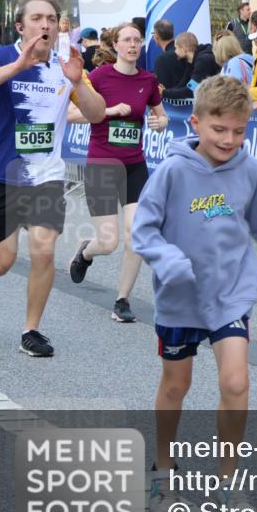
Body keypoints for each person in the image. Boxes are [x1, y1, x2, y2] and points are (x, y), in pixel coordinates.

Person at [133, 75, 257, 512]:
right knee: (176, 385)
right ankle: (162, 472)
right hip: (180, 298)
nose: (229, 140)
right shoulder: (172, 170)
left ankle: (229, 483)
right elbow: (144, 230)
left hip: (230, 295)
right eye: (218, 129)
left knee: (236, 382)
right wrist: (168, 260)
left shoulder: (250, 171)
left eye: (238, 131)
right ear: (196, 122)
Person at [0, 0, 106, 356]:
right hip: (1, 176)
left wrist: (79, 84)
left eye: (51, 18)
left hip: (46, 177)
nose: (45, 25)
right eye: (37, 18)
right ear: (21, 26)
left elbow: (97, 115)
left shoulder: (66, 67)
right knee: (0, 261)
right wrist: (18, 66)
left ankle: (31, 330)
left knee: (44, 252)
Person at [67, 22, 169, 323]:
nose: (133, 45)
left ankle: (122, 300)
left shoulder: (148, 81)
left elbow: (161, 117)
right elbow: (72, 114)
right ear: (116, 45)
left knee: (136, 234)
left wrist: (160, 123)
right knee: (109, 243)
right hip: (101, 164)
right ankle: (86, 251)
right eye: (127, 40)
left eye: (137, 40)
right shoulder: (98, 77)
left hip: (135, 165)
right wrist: (108, 112)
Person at [162, 32, 219, 100]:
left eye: (176, 48)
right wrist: (165, 91)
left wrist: (164, 93)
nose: (175, 51)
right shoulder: (192, 60)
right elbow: (184, 83)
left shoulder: (203, 61)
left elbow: (191, 90)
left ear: (184, 49)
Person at [152, 19, 189, 90]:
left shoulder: (162, 59)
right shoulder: (187, 51)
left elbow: (161, 89)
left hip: (172, 99)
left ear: (156, 36)